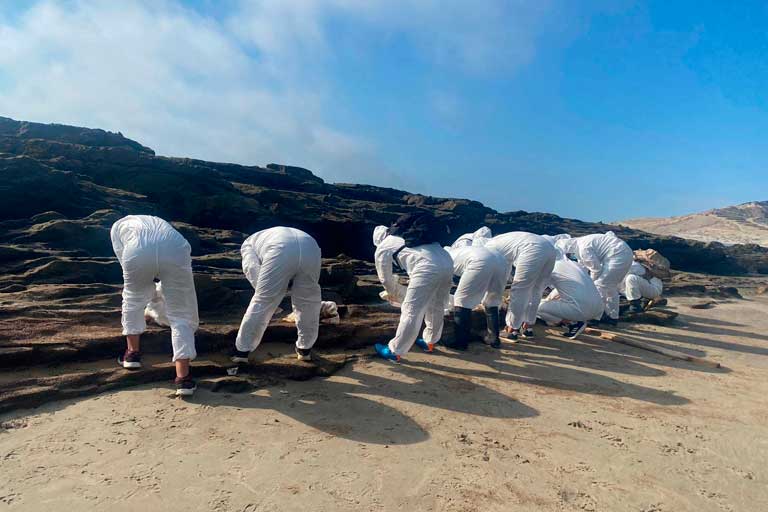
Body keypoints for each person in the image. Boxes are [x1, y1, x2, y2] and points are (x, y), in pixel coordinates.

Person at [111, 215, 199, 396]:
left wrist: (149, 296)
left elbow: (126, 263)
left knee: (132, 298)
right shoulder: (157, 223)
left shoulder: (117, 228)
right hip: (176, 246)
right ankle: (183, 379)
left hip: (138, 249)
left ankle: (132, 354)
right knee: (181, 313)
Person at [231, 227, 322, 363]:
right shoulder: (264, 236)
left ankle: (241, 352)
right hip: (311, 246)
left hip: (280, 248)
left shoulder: (247, 244)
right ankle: (305, 349)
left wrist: (270, 294)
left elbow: (251, 268)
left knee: (262, 301)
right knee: (308, 302)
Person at [372, 213, 453, 361]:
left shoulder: (383, 247)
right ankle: (430, 342)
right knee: (437, 306)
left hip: (427, 268)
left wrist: (391, 292)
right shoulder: (410, 235)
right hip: (447, 262)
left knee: (411, 311)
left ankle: (395, 351)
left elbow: (384, 277)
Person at [481, 231, 557, 341]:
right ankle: (528, 327)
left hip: (532, 248)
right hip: (550, 249)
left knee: (519, 289)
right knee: (537, 289)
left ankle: (512, 330)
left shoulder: (488, 250)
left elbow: (498, 276)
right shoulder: (500, 241)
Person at [555, 232, 633, 326]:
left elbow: (596, 270)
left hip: (618, 255)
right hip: (624, 253)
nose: (569, 257)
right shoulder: (581, 244)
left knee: (599, 286)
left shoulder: (583, 249)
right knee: (610, 287)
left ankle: (594, 317)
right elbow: (583, 268)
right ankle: (612, 317)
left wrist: (589, 285)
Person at [443, 244, 507, 349]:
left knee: (461, 300)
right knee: (492, 300)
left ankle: (460, 342)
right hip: (501, 260)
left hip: (479, 261)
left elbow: (447, 281)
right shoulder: (460, 251)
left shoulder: (446, 258)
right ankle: (493, 338)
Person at [536, 249, 604, 339]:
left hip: (582, 310)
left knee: (536, 307)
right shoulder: (573, 265)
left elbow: (536, 290)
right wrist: (548, 300)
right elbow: (561, 288)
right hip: (598, 309)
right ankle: (570, 321)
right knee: (547, 303)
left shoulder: (551, 267)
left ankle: (573, 323)